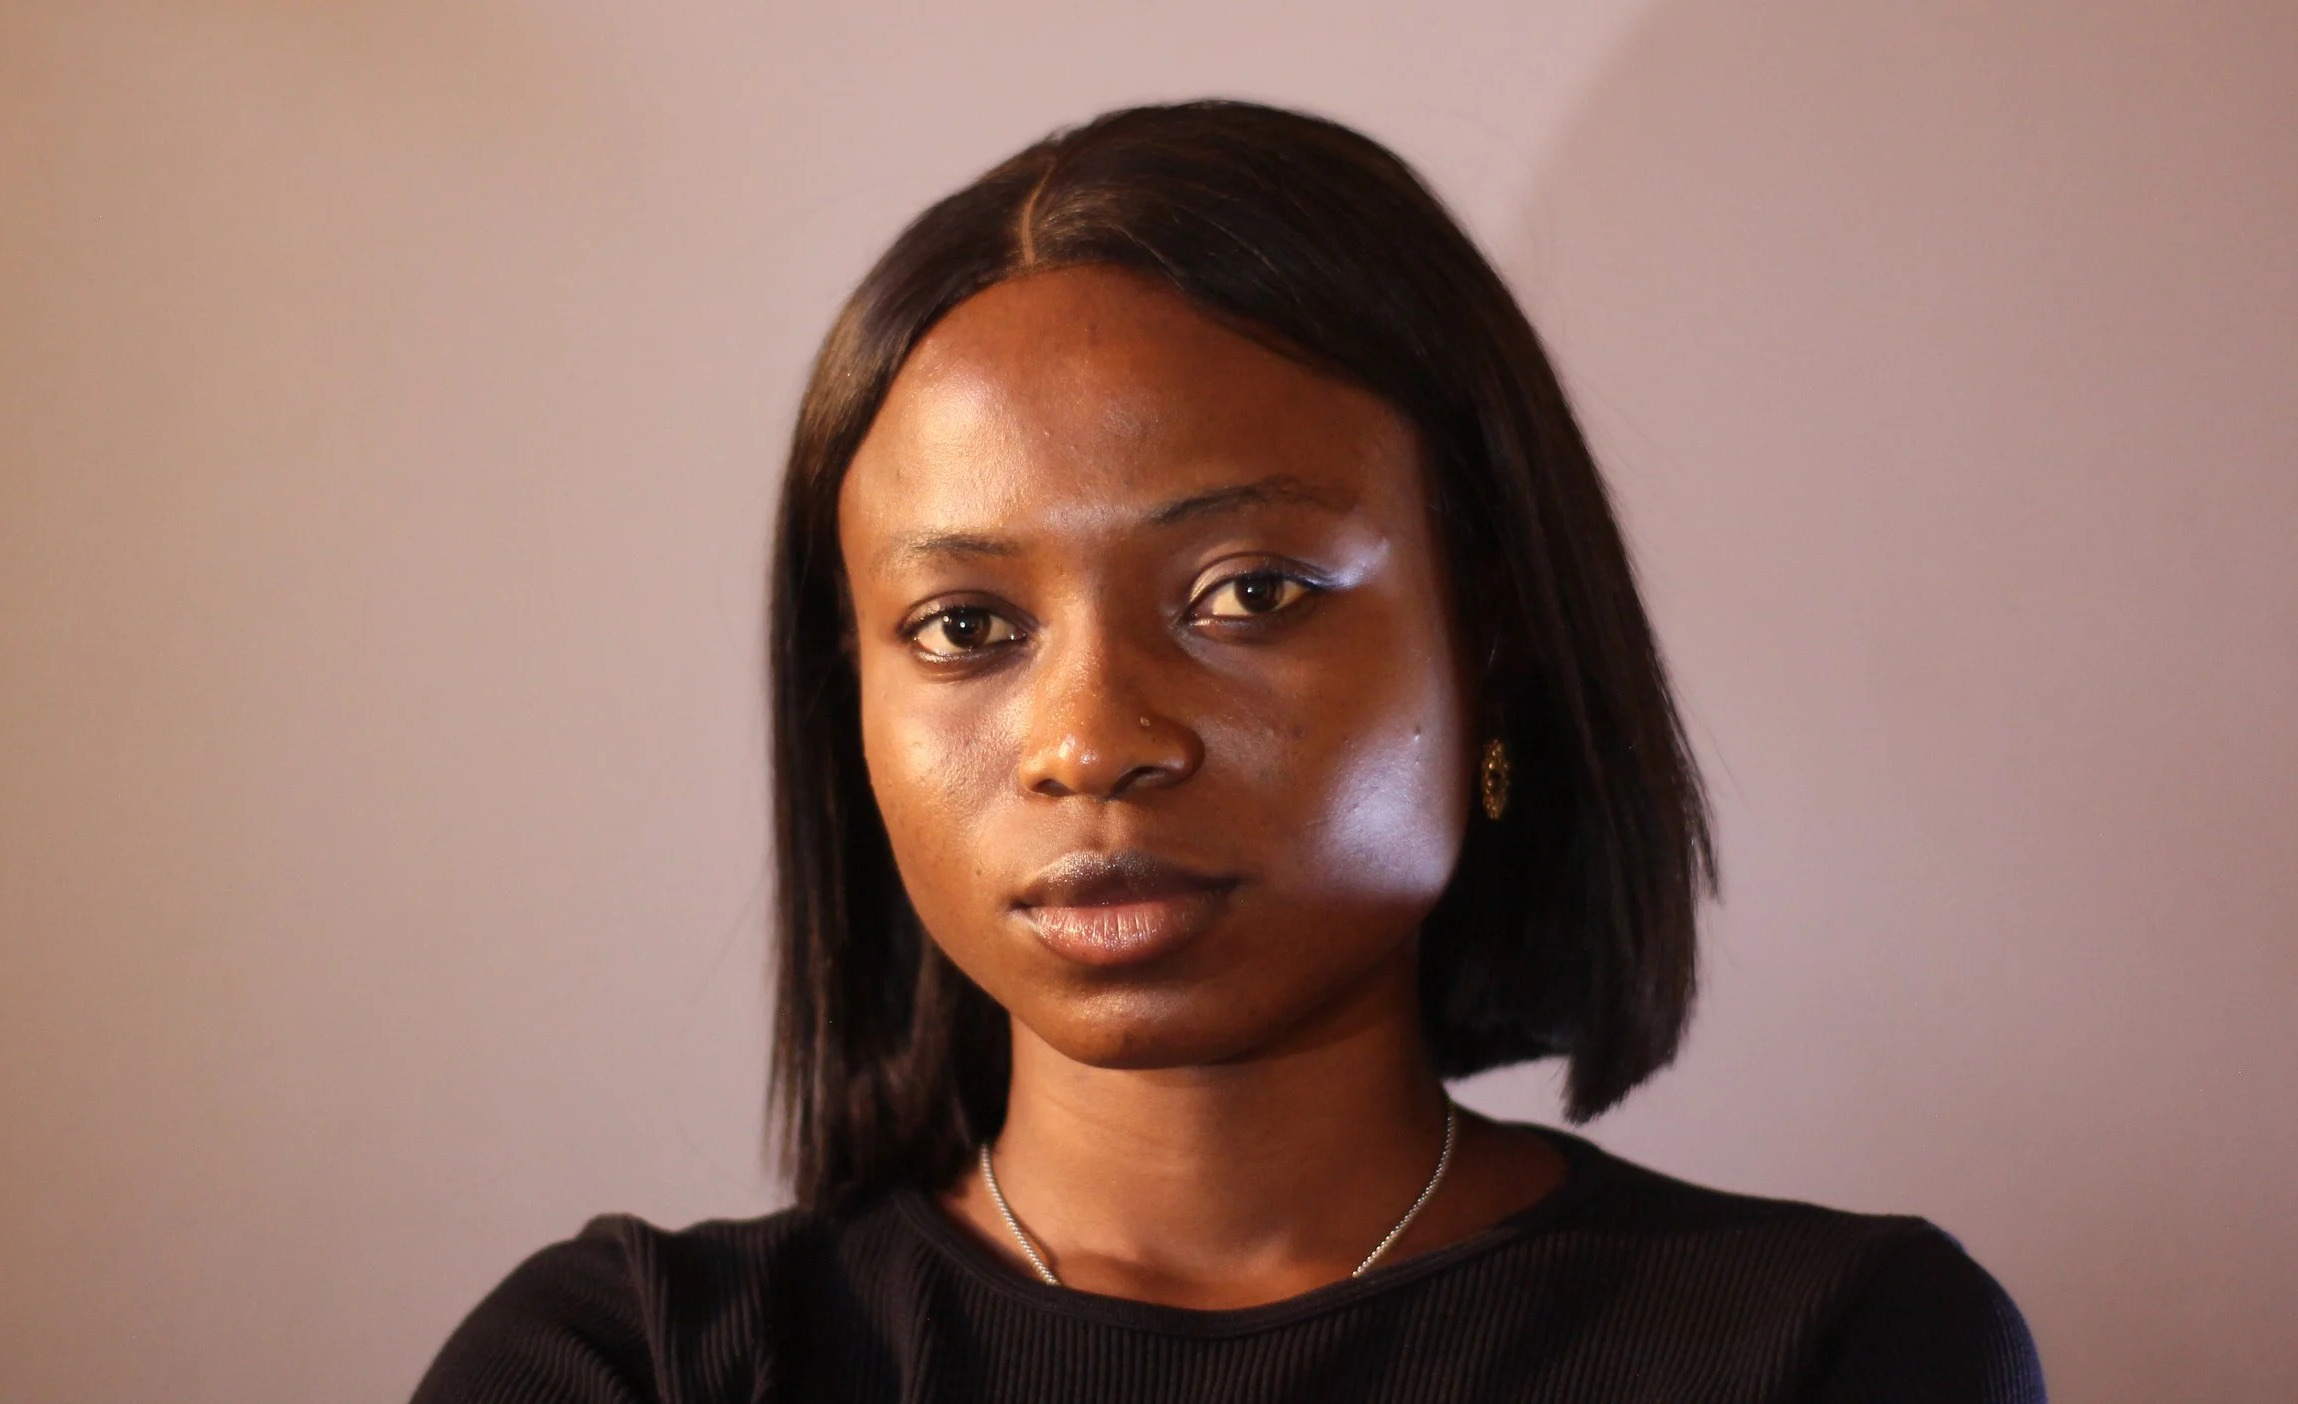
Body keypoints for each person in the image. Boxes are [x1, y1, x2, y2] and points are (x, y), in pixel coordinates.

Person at [412, 99, 2044, 1403]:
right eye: (967, 628)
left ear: (1492, 633)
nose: (1087, 742)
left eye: (1245, 592)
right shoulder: (633, 1364)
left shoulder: (1840, 1350)